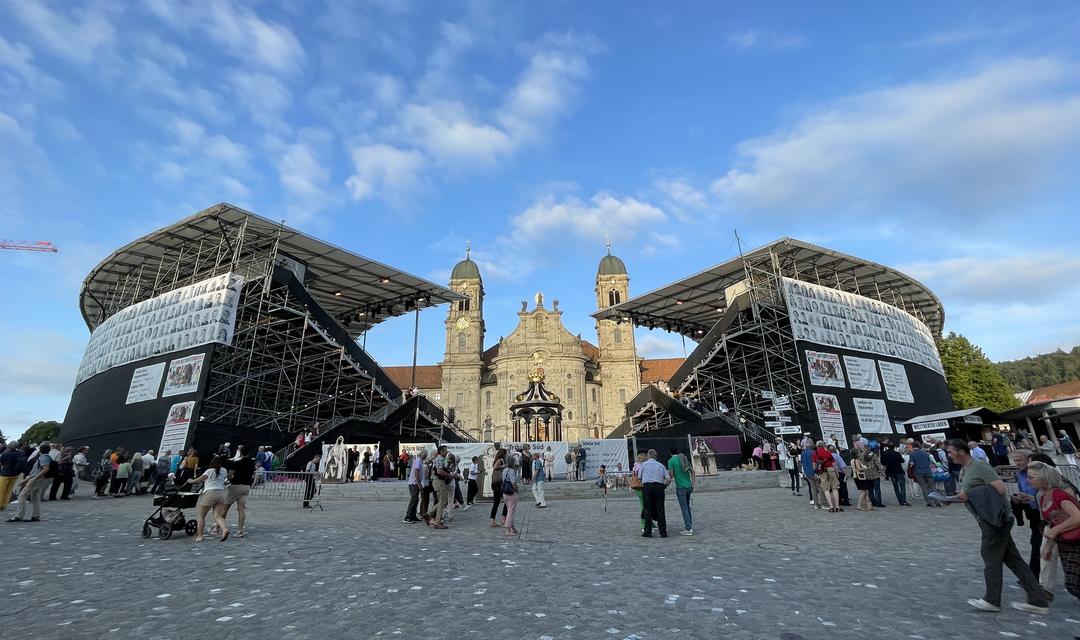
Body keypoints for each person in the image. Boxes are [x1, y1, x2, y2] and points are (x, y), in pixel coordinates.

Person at [944, 438, 1049, 614]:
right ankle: (1038, 600)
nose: (948, 455)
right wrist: (954, 498)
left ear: (961, 452)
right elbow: (974, 492)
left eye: (950, 452)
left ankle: (992, 600)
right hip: (987, 517)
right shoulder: (966, 469)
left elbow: (1000, 489)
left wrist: (968, 494)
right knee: (1013, 560)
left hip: (996, 519)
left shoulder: (980, 466)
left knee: (990, 556)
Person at [1028, 461, 1080, 603]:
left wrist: (1056, 530)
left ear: (1044, 478)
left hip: (1076, 541)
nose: (1028, 480)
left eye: (1032, 477)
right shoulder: (1044, 497)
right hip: (1066, 542)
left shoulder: (1059, 495)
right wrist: (1048, 546)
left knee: (1073, 584)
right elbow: (1052, 524)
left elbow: (1077, 517)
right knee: (1073, 584)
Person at [184, 455, 230, 542]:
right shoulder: (224, 470)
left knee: (201, 515)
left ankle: (200, 536)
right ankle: (224, 529)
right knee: (218, 516)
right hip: (221, 494)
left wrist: (190, 481)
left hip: (210, 493)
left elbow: (199, 480)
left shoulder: (209, 471)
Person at [7, 444, 52, 522]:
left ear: (40, 450)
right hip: (39, 479)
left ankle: (19, 516)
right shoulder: (47, 457)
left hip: (36, 479)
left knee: (22, 496)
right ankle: (36, 515)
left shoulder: (43, 457)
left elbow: (45, 469)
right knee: (36, 497)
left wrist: (34, 478)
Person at [221, 445, 255, 538]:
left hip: (236, 486)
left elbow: (230, 474)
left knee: (225, 507)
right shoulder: (252, 463)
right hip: (246, 486)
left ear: (241, 453)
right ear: (249, 453)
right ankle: (240, 530)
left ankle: (219, 527)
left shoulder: (237, 463)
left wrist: (228, 478)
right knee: (241, 509)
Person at [636, 449, 671, 538]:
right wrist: (664, 486)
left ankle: (648, 532)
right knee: (660, 509)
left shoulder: (643, 465)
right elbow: (668, 478)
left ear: (648, 456)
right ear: (656, 456)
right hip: (659, 487)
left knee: (647, 509)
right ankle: (663, 532)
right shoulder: (661, 465)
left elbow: (639, 477)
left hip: (647, 487)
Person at [667, 447, 694, 536]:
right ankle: (689, 525)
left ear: (670, 453)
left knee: (684, 508)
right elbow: (692, 471)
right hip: (689, 485)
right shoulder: (684, 458)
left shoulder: (671, 461)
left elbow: (671, 475)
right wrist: (693, 484)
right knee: (687, 506)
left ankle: (689, 528)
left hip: (680, 487)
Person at [426, 445, 451, 529]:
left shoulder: (440, 459)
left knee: (443, 501)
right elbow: (439, 471)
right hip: (439, 481)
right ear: (441, 451)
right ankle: (437, 521)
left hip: (438, 481)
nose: (446, 452)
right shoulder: (440, 458)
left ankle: (429, 514)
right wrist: (449, 475)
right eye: (445, 450)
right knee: (442, 501)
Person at [813, 441, 841, 512]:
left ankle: (831, 507)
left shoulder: (816, 453)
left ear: (817, 446)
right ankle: (837, 507)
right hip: (831, 469)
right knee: (835, 488)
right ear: (824, 446)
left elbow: (814, 463)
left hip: (822, 471)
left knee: (826, 489)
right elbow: (834, 462)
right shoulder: (828, 452)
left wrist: (815, 472)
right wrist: (837, 471)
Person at [908, 442, 938, 507]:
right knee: (932, 486)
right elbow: (929, 462)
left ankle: (929, 502)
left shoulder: (912, 454)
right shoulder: (926, 453)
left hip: (919, 472)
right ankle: (937, 501)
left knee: (924, 487)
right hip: (928, 471)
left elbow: (911, 464)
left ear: (913, 447)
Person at [404, 449, 427, 523]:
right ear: (423, 455)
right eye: (425, 456)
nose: (425, 457)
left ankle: (413, 516)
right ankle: (408, 516)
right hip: (414, 483)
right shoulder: (418, 461)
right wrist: (419, 483)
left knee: (416, 500)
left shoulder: (419, 461)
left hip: (415, 483)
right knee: (413, 500)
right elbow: (416, 472)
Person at [502, 454, 521, 537]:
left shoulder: (504, 470)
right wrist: (517, 490)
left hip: (505, 492)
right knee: (511, 511)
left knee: (509, 509)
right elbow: (513, 483)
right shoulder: (512, 471)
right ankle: (507, 529)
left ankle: (512, 528)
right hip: (511, 492)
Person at [0, 441, 21, 511]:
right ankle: (4, 504)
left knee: (2, 489)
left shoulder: (5, 454)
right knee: (9, 490)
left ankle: (0, 504)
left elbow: (2, 463)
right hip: (15, 474)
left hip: (5, 473)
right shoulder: (19, 453)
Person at [489, 448, 506, 528]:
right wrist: (503, 466)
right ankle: (503, 518)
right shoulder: (500, 460)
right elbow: (495, 467)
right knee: (506, 500)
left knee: (496, 502)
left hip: (495, 483)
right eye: (506, 453)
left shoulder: (497, 459)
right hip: (498, 483)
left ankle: (492, 520)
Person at [801, 442, 821, 509]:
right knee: (819, 487)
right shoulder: (814, 452)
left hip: (807, 472)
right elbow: (816, 462)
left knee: (813, 488)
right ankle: (823, 503)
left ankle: (815, 504)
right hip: (815, 472)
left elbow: (802, 463)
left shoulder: (802, 453)